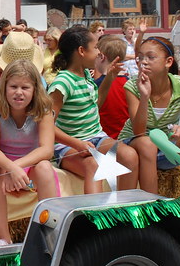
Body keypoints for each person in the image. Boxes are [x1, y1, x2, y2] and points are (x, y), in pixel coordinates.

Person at [119, 35, 180, 220]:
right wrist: (145, 96)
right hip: (135, 143)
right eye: (140, 57)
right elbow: (138, 131)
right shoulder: (132, 85)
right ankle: (153, 210)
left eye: (151, 57)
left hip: (165, 144)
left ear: (168, 62)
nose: (143, 62)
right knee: (147, 143)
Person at [48, 25, 138, 194]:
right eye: (95, 47)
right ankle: (94, 219)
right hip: (67, 145)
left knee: (130, 156)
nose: (99, 52)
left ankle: (126, 211)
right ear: (81, 51)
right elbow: (46, 125)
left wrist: (110, 77)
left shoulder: (87, 75)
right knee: (94, 167)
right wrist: (76, 143)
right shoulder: (62, 84)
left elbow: (95, 105)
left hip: (96, 137)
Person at [0, 59, 59, 245]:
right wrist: (9, 167)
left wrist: (15, 167)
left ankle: (50, 233)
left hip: (30, 163)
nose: (18, 92)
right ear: (4, 87)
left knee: (44, 167)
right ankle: (4, 237)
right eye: (13, 86)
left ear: (35, 89)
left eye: (25, 87)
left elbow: (46, 150)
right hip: (4, 163)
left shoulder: (44, 108)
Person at [96, 35, 131, 140]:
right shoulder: (129, 84)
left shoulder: (95, 85)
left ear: (101, 57)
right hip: (126, 139)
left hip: (102, 141)